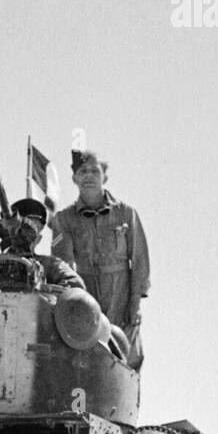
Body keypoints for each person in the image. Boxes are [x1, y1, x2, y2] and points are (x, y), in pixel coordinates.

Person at [49, 150, 150, 356]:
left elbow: (140, 261)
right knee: (89, 354)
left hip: (121, 292)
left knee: (127, 354)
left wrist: (135, 303)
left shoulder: (126, 214)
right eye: (82, 171)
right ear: (74, 179)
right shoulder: (65, 219)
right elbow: (63, 265)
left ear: (105, 176)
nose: (88, 176)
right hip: (86, 292)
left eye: (94, 171)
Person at [4, 198, 86, 291]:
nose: (25, 235)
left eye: (33, 230)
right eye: (22, 228)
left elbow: (76, 286)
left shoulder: (49, 265)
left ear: (38, 239)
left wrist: (45, 290)